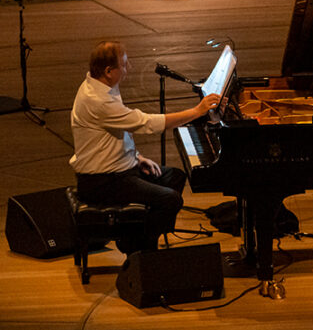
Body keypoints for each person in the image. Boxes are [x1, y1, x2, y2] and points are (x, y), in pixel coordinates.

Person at [69, 41, 220, 252]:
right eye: (124, 64)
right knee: (171, 200)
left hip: (118, 170)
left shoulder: (99, 84)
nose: (128, 68)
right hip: (103, 182)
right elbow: (145, 123)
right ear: (109, 71)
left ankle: (140, 231)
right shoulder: (98, 100)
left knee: (174, 176)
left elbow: (116, 130)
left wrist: (137, 158)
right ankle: (139, 249)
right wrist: (197, 111)